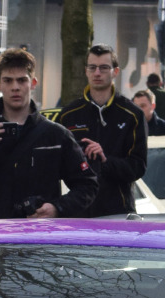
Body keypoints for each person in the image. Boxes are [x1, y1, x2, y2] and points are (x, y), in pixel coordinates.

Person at [0, 47, 96, 219]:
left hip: (38, 237)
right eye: (8, 81)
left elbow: (88, 185)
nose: (15, 87)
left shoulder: (55, 134)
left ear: (33, 83)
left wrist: (57, 208)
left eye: (22, 80)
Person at [55, 44, 146, 217]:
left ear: (115, 72)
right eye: (92, 67)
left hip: (118, 212)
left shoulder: (133, 114)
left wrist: (105, 162)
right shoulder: (68, 114)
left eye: (104, 68)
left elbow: (138, 167)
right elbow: (57, 166)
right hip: (78, 212)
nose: (97, 73)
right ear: (86, 71)